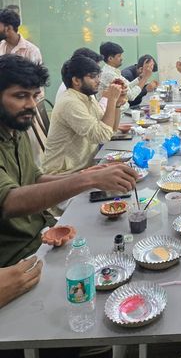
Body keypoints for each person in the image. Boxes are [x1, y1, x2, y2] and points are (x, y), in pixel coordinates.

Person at [0, 54, 138, 268]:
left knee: (119, 240)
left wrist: (86, 175)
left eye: (35, 96)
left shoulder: (16, 130)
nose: (32, 105)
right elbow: (9, 202)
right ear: (76, 80)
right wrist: (88, 179)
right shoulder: (69, 102)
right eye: (20, 96)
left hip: (42, 230)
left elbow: (33, 178)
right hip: (17, 256)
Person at [42, 55, 125, 175]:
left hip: (86, 167)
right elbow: (102, 136)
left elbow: (110, 130)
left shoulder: (87, 97)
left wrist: (117, 104)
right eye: (93, 77)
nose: (98, 81)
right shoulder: (70, 102)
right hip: (64, 174)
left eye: (98, 76)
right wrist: (111, 99)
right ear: (76, 81)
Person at [98, 42, 152, 111]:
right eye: (119, 56)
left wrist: (140, 78)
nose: (122, 58)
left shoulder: (112, 71)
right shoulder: (109, 74)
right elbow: (131, 96)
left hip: (122, 110)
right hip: (118, 113)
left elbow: (128, 85)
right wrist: (145, 78)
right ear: (110, 58)